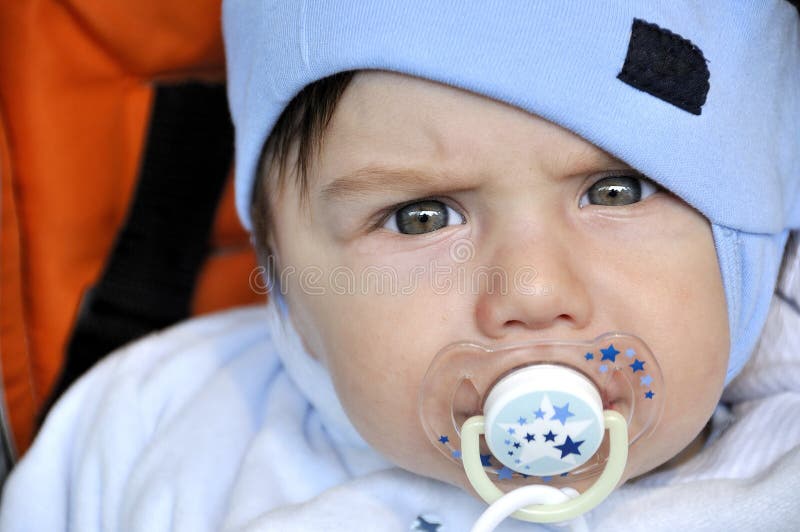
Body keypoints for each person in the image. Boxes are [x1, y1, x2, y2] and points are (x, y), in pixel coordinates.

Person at [2, 2, 799, 530]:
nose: (531, 293)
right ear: (287, 288)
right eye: (421, 217)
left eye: (618, 191)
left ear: (753, 245)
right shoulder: (156, 427)